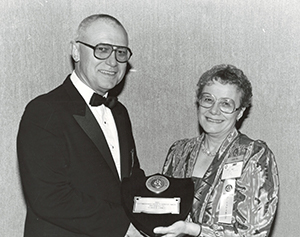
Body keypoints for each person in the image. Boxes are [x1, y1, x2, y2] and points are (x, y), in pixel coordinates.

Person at [17, 14, 143, 237]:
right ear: (76, 51)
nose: (113, 62)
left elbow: (130, 180)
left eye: (121, 52)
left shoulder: (119, 112)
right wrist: (125, 227)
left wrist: (160, 212)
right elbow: (49, 198)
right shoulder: (44, 111)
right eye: (102, 49)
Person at [154, 64, 279, 237]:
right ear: (198, 102)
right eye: (208, 99)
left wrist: (193, 230)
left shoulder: (254, 155)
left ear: (240, 112)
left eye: (226, 104)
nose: (213, 110)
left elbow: (254, 232)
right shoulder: (179, 151)